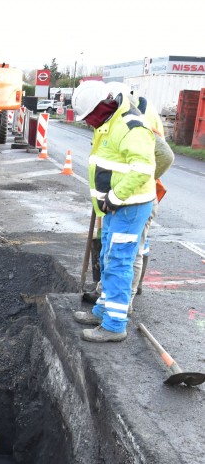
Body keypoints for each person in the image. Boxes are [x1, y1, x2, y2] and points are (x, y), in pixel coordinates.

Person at [71, 80, 157, 343]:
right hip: (112, 208)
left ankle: (115, 324)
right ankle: (102, 311)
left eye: (89, 117)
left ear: (103, 106)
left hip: (128, 207)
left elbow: (143, 168)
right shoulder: (109, 123)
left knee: (119, 263)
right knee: (108, 259)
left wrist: (116, 197)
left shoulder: (130, 126)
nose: (88, 123)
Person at [82, 84, 174, 309]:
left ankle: (124, 304)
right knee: (112, 254)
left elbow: (162, 158)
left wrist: (130, 187)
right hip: (117, 202)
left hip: (135, 200)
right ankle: (107, 299)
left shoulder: (134, 121)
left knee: (128, 255)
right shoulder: (110, 121)